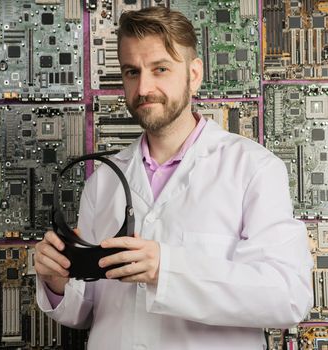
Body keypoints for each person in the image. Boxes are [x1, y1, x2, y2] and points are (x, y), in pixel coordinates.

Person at [35, 6, 313, 350]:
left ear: (194, 74)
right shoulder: (104, 181)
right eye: (131, 72)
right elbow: (87, 310)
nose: (144, 87)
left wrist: (166, 270)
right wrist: (56, 280)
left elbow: (287, 297)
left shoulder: (253, 168)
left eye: (160, 69)